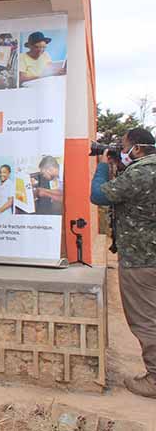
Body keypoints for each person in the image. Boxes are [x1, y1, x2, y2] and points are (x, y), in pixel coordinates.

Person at [90, 128, 156, 399]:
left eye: (124, 146)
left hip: (141, 258)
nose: (122, 150)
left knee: (145, 318)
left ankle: (154, 379)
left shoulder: (141, 173)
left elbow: (99, 195)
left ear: (136, 148)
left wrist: (103, 166)